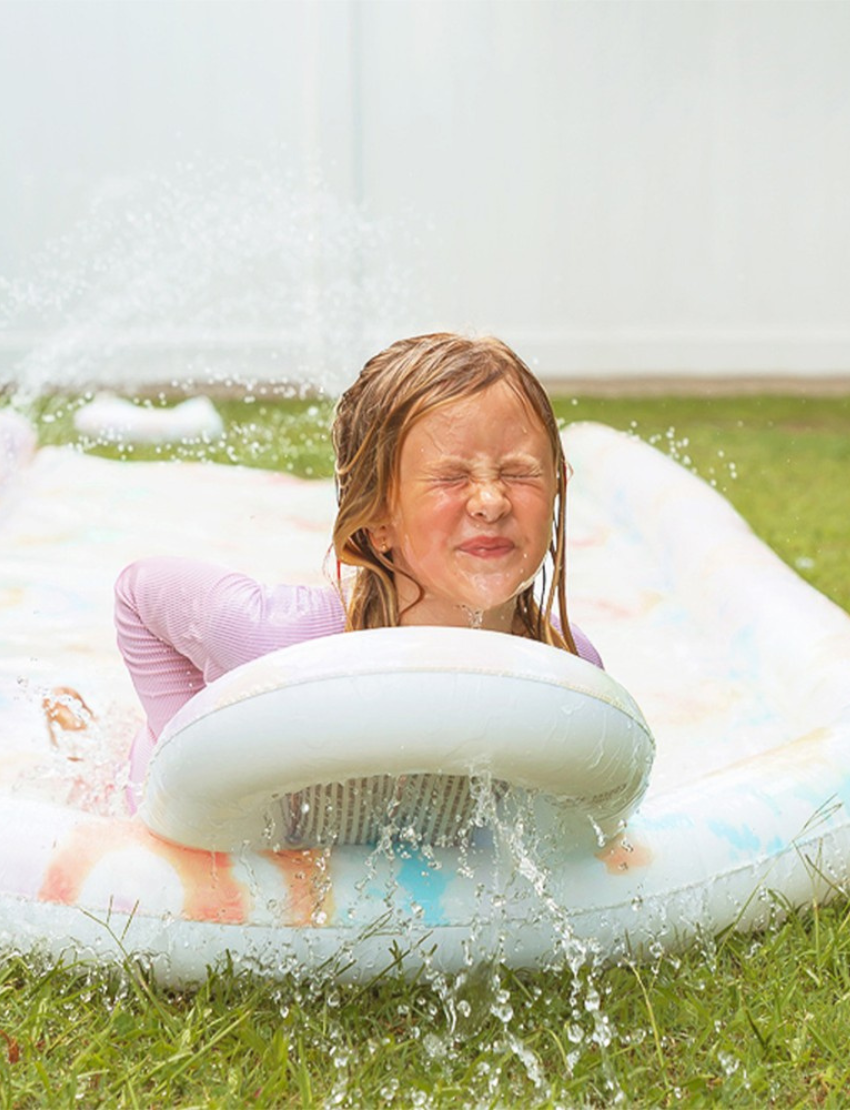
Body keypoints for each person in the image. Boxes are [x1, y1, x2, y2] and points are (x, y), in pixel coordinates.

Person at [115, 333, 602, 837]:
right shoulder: (285, 641)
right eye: (450, 478)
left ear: (558, 484)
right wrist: (186, 766)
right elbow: (138, 593)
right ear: (378, 521)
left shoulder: (569, 669)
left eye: (520, 472)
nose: (490, 501)